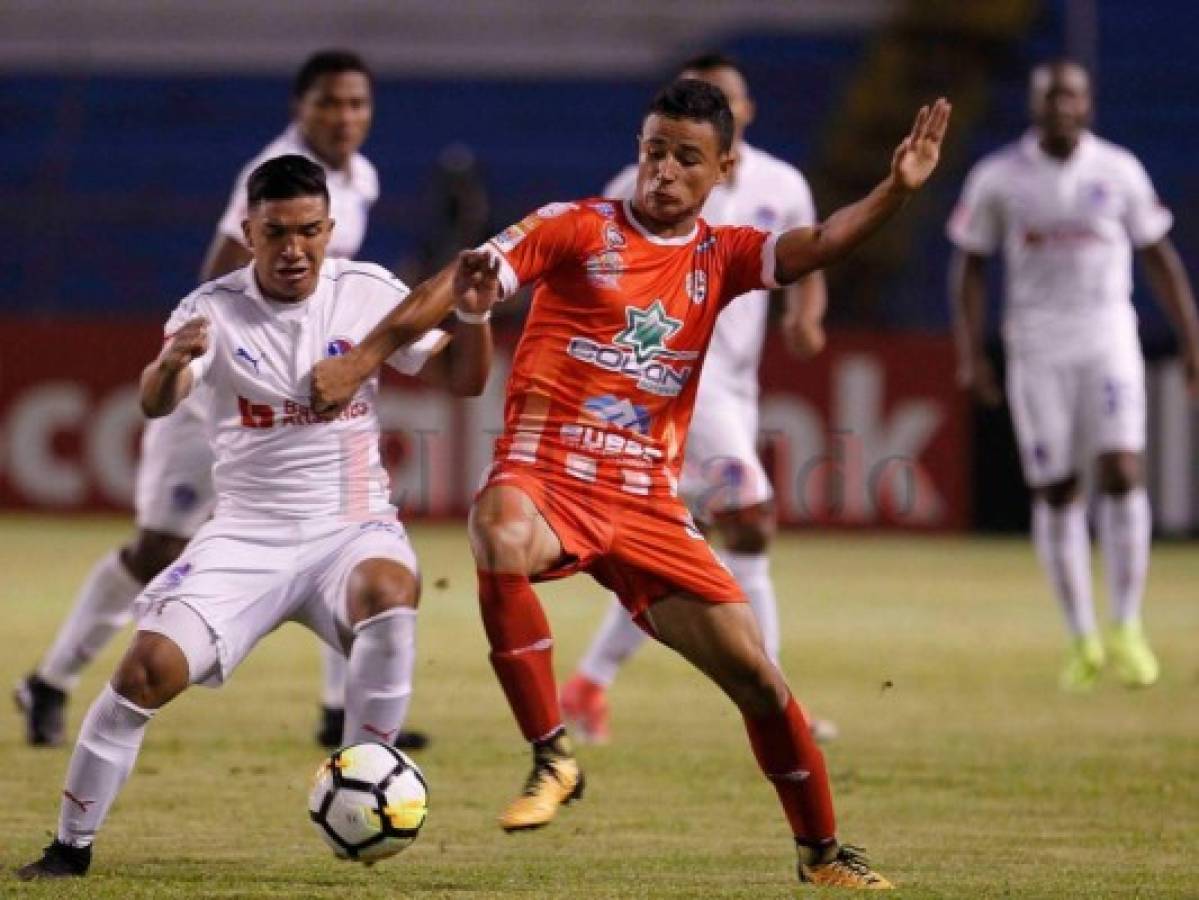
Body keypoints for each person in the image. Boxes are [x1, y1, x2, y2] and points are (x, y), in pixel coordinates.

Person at [312, 80, 951, 890]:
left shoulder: (721, 255)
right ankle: (552, 757)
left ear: (720, 169)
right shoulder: (574, 225)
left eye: (687, 159)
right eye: (653, 151)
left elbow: (819, 241)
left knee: (757, 679)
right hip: (547, 471)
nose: (663, 172)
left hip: (646, 499)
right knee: (498, 527)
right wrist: (365, 359)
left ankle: (822, 856)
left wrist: (895, 189)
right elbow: (458, 280)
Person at [16, 155, 496, 881]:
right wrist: (174, 364)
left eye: (308, 231)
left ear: (330, 228)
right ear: (248, 231)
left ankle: (372, 775)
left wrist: (477, 313)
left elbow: (465, 381)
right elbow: (154, 399)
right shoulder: (210, 309)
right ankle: (67, 850)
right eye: (275, 233)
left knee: (390, 593)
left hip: (350, 527)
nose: (294, 249)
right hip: (245, 535)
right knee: (144, 672)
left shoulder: (365, 292)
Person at [13, 49, 425, 751]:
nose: (344, 116)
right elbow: (219, 279)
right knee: (155, 552)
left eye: (356, 104)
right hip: (224, 403)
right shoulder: (267, 175)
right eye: (329, 103)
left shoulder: (358, 180)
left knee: (338, 522)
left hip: (293, 405)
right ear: (301, 108)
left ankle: (338, 708)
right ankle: (50, 681)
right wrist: (226, 377)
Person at [559, 52, 833, 745]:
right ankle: (774, 698)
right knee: (752, 518)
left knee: (673, 547)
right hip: (675, 381)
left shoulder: (781, 182)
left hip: (737, 386)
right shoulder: (638, 181)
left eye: (731, 100)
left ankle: (589, 682)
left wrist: (806, 313)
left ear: (743, 114)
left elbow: (806, 254)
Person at [948, 59, 1199, 692]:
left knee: (1122, 469)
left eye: (1073, 96)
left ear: (1088, 105)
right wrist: (972, 352)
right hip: (1035, 347)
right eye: (1050, 96)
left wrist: (1193, 338)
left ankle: (1127, 625)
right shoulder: (999, 177)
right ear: (1034, 105)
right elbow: (970, 267)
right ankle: (1081, 635)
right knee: (1058, 489)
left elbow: (1159, 257)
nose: (1062, 106)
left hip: (1107, 337)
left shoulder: (1119, 171)